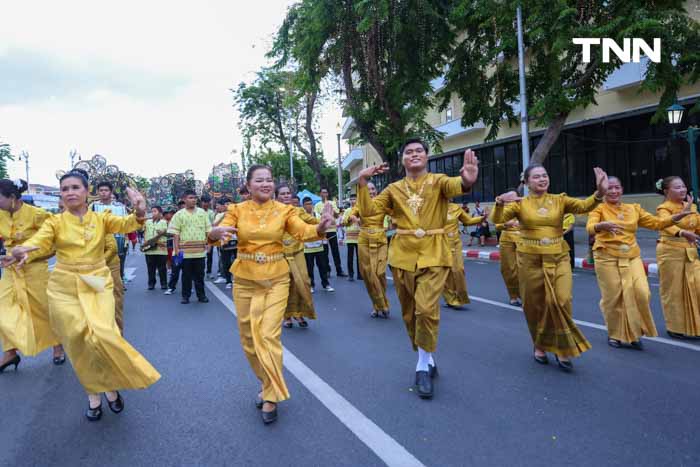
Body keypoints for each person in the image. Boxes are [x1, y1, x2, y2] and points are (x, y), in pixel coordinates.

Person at [9, 169, 160, 421]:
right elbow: (40, 241)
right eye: (65, 189)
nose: (69, 192)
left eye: (75, 187)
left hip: (97, 284)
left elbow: (128, 224)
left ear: (86, 191)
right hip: (63, 288)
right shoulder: (54, 222)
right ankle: (95, 393)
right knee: (78, 340)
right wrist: (24, 250)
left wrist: (140, 209)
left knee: (102, 336)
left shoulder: (102, 218)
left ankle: (110, 386)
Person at [208, 164, 334, 424]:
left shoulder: (285, 210)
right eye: (259, 180)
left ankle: (271, 395)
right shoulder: (236, 210)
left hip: (276, 278)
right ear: (249, 185)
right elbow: (219, 233)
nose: (265, 184)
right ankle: (267, 383)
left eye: (269, 180)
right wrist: (214, 233)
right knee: (249, 340)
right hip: (244, 279)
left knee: (267, 335)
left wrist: (320, 228)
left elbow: (303, 231)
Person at [357, 139, 479, 399]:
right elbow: (369, 212)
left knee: (425, 308)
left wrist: (467, 180)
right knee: (411, 312)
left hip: (434, 252)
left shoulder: (439, 181)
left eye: (419, 151)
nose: (414, 155)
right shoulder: (392, 189)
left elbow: (458, 185)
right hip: (402, 255)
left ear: (427, 156)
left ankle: (422, 365)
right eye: (409, 152)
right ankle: (427, 355)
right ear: (402, 159)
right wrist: (362, 182)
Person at [493, 164, 608, 372]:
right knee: (534, 305)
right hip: (529, 260)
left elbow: (583, 207)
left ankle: (563, 347)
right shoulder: (520, 204)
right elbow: (498, 220)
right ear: (527, 182)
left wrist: (599, 192)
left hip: (558, 256)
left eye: (545, 175)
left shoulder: (560, 199)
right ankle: (539, 344)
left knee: (561, 300)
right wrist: (500, 202)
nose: (542, 179)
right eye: (536, 177)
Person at [587, 176, 691, 348]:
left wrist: (677, 217)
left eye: (617, 188)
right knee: (614, 297)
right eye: (610, 188)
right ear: (603, 191)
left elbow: (656, 223)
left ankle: (635, 329)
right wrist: (600, 226)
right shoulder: (598, 209)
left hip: (632, 255)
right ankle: (616, 333)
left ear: (622, 189)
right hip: (606, 256)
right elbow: (590, 227)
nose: (614, 191)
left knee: (642, 292)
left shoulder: (633, 208)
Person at [0, 179, 64, 371]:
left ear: (12, 198)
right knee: (3, 307)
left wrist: (29, 255)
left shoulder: (38, 215)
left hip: (35, 269)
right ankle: (10, 352)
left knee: (44, 309)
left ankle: (58, 346)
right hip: (11, 270)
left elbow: (54, 242)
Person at [655, 176, 700, 339]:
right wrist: (681, 232)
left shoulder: (692, 206)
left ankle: (697, 325)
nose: (682, 190)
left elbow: (697, 225)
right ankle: (675, 327)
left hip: (691, 251)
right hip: (670, 251)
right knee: (673, 291)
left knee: (697, 286)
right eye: (677, 187)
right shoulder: (663, 208)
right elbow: (665, 224)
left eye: (683, 186)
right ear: (666, 191)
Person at [277, 186, 318, 328]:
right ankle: (287, 316)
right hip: (281, 254)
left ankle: (299, 314)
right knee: (286, 286)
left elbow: (313, 221)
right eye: (283, 194)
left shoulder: (299, 211)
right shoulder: (272, 213)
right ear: (277, 196)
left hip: (298, 252)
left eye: (288, 193)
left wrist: (325, 222)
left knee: (303, 283)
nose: (286, 196)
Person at [348, 182, 390, 318]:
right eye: (368, 189)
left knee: (380, 273)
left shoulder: (383, 202)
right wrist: (353, 217)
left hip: (381, 240)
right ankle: (378, 306)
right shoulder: (360, 203)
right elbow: (349, 217)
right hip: (364, 240)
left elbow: (397, 213)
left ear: (376, 191)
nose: (370, 191)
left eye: (373, 189)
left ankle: (381, 304)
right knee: (368, 273)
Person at [168, 190, 212, 304]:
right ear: (184, 199)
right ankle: (185, 296)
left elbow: (209, 231)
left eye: (195, 198)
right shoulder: (179, 214)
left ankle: (201, 296)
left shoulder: (202, 213)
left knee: (199, 276)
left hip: (200, 251)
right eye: (190, 197)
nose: (193, 200)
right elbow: (175, 233)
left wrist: (210, 245)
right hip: (185, 252)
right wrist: (176, 249)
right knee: (186, 276)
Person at [442, 203, 483, 309]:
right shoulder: (431, 206)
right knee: (445, 273)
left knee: (458, 270)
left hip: (455, 243)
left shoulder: (455, 208)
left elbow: (467, 221)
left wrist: (482, 218)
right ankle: (450, 298)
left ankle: (460, 296)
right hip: (438, 244)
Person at [91, 182, 129, 283]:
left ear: (111, 192)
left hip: (118, 240)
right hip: (99, 241)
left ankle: (119, 282)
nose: (103, 193)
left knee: (118, 265)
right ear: (98, 192)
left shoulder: (120, 207)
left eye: (106, 190)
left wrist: (125, 240)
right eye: (101, 190)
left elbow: (125, 224)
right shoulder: (92, 207)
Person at [303, 197, 333, 293]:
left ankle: (326, 284)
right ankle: (311, 285)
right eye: (307, 204)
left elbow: (324, 228)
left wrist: (324, 240)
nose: (309, 206)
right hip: (307, 247)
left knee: (322, 266)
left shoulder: (317, 216)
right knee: (309, 268)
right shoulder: (302, 218)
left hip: (319, 246)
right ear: (303, 206)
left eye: (310, 203)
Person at [314, 188, 347, 277]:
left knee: (335, 251)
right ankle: (327, 270)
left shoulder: (332, 203)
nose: (324, 194)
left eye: (326, 192)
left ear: (328, 194)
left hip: (332, 230)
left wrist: (332, 210)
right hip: (323, 231)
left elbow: (337, 215)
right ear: (320, 194)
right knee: (325, 252)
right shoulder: (317, 205)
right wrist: (324, 213)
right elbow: (316, 217)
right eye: (322, 192)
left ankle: (339, 270)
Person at [491, 211, 522, 306]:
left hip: (523, 240)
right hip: (506, 241)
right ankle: (513, 296)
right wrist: (505, 224)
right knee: (508, 269)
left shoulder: (526, 207)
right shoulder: (503, 210)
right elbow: (497, 226)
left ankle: (526, 294)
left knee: (524, 269)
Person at [144, 206, 168, 290]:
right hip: (149, 249)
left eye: (155, 211)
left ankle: (164, 283)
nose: (153, 213)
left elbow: (167, 234)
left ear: (160, 213)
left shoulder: (164, 222)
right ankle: (151, 284)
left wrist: (162, 233)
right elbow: (140, 230)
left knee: (162, 268)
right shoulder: (147, 222)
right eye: (152, 211)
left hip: (161, 249)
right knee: (150, 268)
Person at [213, 198, 235, 288]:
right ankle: (228, 280)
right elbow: (214, 225)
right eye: (226, 204)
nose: (227, 205)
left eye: (229, 203)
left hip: (236, 241)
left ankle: (236, 279)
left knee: (237, 261)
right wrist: (223, 216)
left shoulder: (236, 213)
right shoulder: (219, 215)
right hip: (224, 241)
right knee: (226, 261)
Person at [165, 201, 186, 295]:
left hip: (189, 250)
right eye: (182, 207)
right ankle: (171, 287)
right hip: (177, 249)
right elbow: (170, 233)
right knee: (175, 270)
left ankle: (187, 288)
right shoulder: (175, 219)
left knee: (188, 272)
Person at [341, 194, 362, 282]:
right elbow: (343, 222)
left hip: (359, 236)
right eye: (352, 199)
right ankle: (350, 274)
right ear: (349, 201)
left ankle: (360, 274)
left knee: (359, 257)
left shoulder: (360, 210)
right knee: (350, 256)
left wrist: (358, 219)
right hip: (350, 237)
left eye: (355, 199)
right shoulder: (347, 211)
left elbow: (363, 222)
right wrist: (350, 219)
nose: (353, 201)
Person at [200, 195, 217, 279]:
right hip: (199, 237)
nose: (206, 204)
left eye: (207, 202)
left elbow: (213, 224)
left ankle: (209, 272)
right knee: (200, 255)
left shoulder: (211, 213)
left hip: (209, 236)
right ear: (201, 202)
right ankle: (200, 272)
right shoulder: (197, 211)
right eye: (204, 202)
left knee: (209, 255)